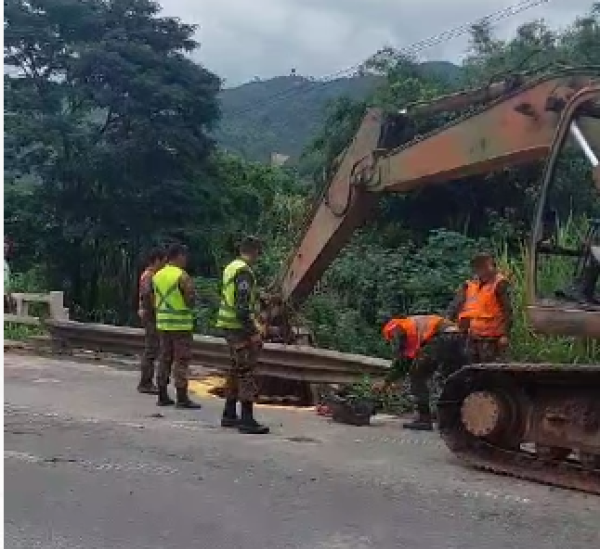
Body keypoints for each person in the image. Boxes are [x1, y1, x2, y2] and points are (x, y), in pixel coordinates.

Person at [215, 236, 269, 434]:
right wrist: (253, 332)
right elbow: (241, 307)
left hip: (230, 326)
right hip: (239, 328)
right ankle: (247, 419)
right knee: (246, 372)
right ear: (254, 251)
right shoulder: (244, 272)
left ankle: (229, 414)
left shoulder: (231, 267)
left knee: (236, 369)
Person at [382, 314, 466, 431]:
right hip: (457, 337)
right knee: (451, 378)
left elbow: (404, 361)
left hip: (442, 338)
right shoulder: (407, 324)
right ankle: (456, 419)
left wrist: (386, 381)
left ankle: (424, 419)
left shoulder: (400, 330)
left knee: (417, 374)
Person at [147, 243, 201, 409]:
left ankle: (162, 394)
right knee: (181, 360)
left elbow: (151, 299)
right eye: (184, 257)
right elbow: (190, 300)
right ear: (178, 256)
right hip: (181, 326)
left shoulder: (156, 276)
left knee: (165, 359)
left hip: (163, 324)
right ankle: (182, 397)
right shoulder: (182, 276)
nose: (186, 260)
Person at [447, 252, 513, 363]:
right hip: (472, 337)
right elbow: (456, 305)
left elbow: (508, 311)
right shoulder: (470, 285)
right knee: (471, 369)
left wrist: (505, 335)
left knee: (492, 371)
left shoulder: (500, 284)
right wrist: (448, 323)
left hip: (492, 339)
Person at [136, 247, 166, 394]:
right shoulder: (149, 276)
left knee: (152, 348)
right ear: (157, 260)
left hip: (149, 314)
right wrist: (155, 308)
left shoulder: (149, 275)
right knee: (151, 349)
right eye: (163, 261)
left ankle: (147, 381)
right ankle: (145, 382)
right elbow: (147, 295)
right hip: (151, 316)